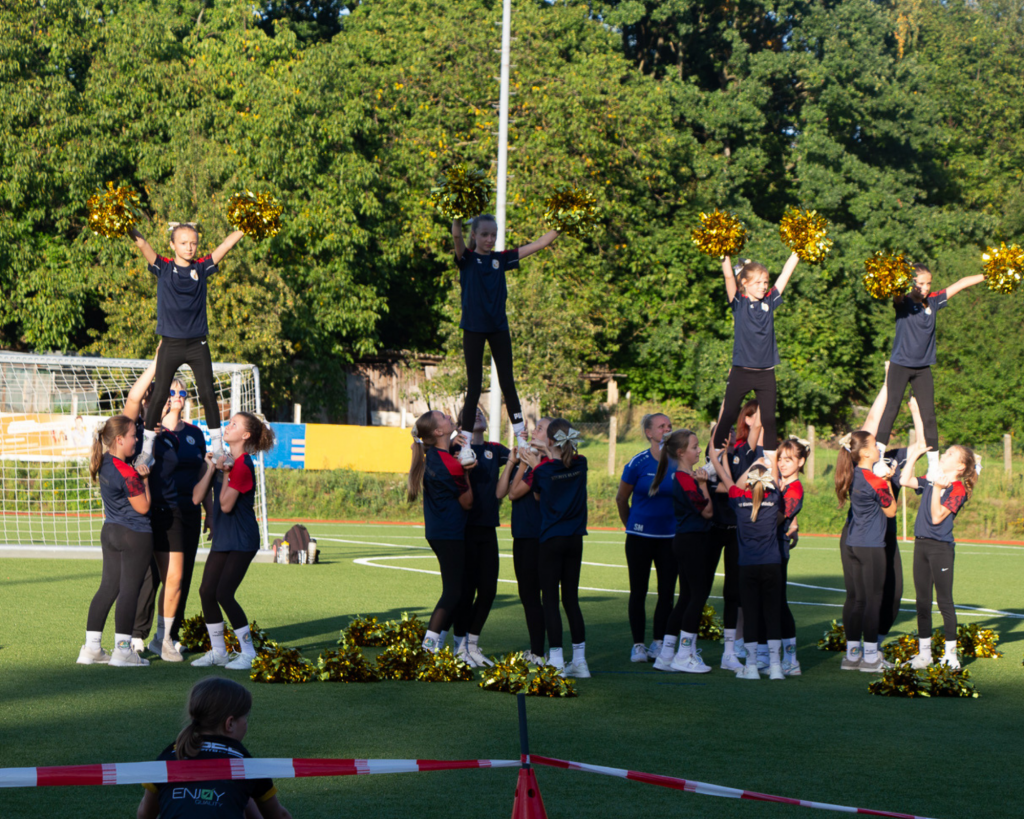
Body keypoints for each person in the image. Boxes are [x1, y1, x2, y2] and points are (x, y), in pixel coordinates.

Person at [128, 223, 245, 467]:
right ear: (172, 245)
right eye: (183, 242)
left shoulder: (201, 268)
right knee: (159, 394)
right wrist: (124, 221)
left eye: (193, 242)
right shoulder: (163, 266)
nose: (189, 247)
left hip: (197, 344)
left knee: (207, 394)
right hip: (170, 343)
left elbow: (227, 244)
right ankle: (147, 451)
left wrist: (245, 227)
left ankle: (219, 449)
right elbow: (142, 243)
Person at [451, 214, 558, 448]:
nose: (490, 239)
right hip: (473, 329)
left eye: (494, 235)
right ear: (474, 235)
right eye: (485, 235)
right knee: (475, 385)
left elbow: (540, 243)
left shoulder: (502, 259)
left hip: (498, 328)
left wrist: (564, 223)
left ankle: (521, 439)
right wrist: (458, 214)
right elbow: (456, 234)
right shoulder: (466, 259)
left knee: (507, 382)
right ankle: (466, 443)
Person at [874, 264, 985, 479]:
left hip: (922, 369)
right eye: (920, 283)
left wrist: (989, 273)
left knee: (929, 415)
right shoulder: (903, 301)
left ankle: (933, 466)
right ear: (910, 283)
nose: (925, 288)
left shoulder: (933, 301)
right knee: (892, 408)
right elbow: (896, 295)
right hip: (900, 365)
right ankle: (878, 458)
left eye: (928, 283)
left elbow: (961, 283)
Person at [190, 413, 275, 670]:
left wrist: (225, 470)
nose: (228, 427)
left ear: (246, 435)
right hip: (225, 538)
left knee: (224, 593)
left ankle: (248, 653)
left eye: (234, 424)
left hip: (242, 539)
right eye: (230, 422)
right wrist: (212, 467)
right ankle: (219, 653)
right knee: (206, 591)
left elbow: (225, 505)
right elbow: (196, 499)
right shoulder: (228, 461)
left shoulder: (243, 465)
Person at [138, 677, 292, 819]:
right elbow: (279, 816)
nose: (246, 723)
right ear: (230, 723)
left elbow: (144, 814)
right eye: (246, 717)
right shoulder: (247, 765)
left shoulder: (170, 755)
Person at [78, 416, 153, 667]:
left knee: (108, 588)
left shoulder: (105, 463)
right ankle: (123, 651)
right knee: (130, 590)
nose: (136, 440)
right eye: (133, 436)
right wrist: (145, 479)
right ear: (119, 440)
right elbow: (143, 507)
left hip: (110, 531)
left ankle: (91, 649)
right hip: (134, 535)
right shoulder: (127, 470)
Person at [711, 253, 801, 459]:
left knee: (769, 419)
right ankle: (714, 461)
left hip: (766, 373)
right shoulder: (738, 302)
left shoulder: (770, 301)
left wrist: (798, 251)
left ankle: (769, 465)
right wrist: (724, 253)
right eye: (758, 282)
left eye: (765, 282)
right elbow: (728, 277)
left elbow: (786, 274)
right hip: (741, 371)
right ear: (744, 283)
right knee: (728, 416)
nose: (763, 286)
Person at [519, 419, 589, 677]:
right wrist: (549, 449)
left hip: (551, 539)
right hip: (575, 539)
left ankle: (557, 660)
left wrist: (539, 461)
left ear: (549, 440)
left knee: (550, 600)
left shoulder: (542, 470)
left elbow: (538, 496)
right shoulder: (581, 463)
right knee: (571, 599)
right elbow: (567, 453)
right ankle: (580, 662)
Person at [900, 441, 978, 669]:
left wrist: (935, 488)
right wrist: (913, 456)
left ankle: (951, 656)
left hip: (940, 549)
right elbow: (905, 480)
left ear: (961, 466)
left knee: (944, 601)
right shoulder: (934, 480)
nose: (944, 455)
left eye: (950, 453)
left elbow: (936, 517)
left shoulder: (958, 489)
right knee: (922, 601)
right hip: (921, 546)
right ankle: (924, 655)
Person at [709, 449, 785, 681]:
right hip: (772, 565)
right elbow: (778, 482)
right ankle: (775, 668)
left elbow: (728, 479)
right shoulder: (775, 498)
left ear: (748, 482)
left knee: (751, 615)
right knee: (772, 615)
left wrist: (718, 458)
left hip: (747, 566)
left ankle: (751, 667)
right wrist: (768, 461)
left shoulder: (738, 499)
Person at [407, 411, 475, 653]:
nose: (448, 416)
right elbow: (467, 502)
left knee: (460, 589)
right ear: (438, 432)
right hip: (449, 532)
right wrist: (467, 470)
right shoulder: (448, 463)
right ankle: (428, 647)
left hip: (441, 530)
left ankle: (447, 644)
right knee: (453, 592)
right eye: (443, 417)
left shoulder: (437, 456)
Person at [614, 413, 678, 663]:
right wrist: (631, 525)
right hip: (639, 538)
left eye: (669, 426)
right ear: (649, 433)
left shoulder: (678, 461)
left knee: (666, 592)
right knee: (638, 591)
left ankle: (659, 643)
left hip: (670, 538)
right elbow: (621, 498)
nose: (667, 429)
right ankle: (638, 645)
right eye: (661, 426)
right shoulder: (637, 462)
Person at [651, 429, 715, 674]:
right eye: (695, 447)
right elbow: (707, 512)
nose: (699, 450)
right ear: (681, 453)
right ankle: (684, 654)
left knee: (686, 598)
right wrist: (703, 485)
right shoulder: (685, 479)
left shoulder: (684, 476)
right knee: (697, 597)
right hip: (693, 542)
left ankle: (666, 655)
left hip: (686, 541)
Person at [703, 401, 761, 669]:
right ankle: (684, 647)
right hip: (712, 528)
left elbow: (736, 488)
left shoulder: (745, 450)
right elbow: (716, 483)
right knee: (699, 588)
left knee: (733, 592)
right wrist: (732, 385)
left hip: (737, 528)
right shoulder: (717, 445)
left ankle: (730, 652)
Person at [834, 430, 898, 673]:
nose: (879, 448)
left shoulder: (854, 474)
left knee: (856, 599)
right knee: (873, 601)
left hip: (852, 544)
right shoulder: (875, 480)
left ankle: (852, 656)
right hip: (870, 546)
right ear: (866, 452)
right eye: (874, 444)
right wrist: (888, 480)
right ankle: (871, 658)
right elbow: (891, 511)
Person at [452, 407, 509, 667]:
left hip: (487, 529)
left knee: (488, 590)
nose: (477, 415)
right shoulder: (454, 451)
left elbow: (524, 457)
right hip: (463, 529)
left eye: (480, 412)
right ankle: (459, 645)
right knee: (465, 591)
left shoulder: (495, 448)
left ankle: (472, 645)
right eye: (469, 412)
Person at [161, 379, 209, 649]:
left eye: (182, 392)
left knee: (183, 577)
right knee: (154, 576)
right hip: (159, 511)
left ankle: (171, 634)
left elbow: (205, 476)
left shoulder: (195, 433)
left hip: (189, 511)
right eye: (172, 391)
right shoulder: (150, 432)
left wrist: (210, 514)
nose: (178, 396)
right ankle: (136, 634)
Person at [498, 418, 548, 665]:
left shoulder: (541, 464)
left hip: (533, 537)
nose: (533, 431)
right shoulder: (536, 462)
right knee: (532, 596)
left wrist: (522, 464)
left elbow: (513, 493)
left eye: (540, 428)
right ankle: (540, 651)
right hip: (526, 535)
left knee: (533, 596)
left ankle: (539, 653)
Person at [775, 438, 808, 675]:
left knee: (778, 603)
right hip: (766, 548)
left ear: (801, 461)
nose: (782, 464)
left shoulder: (794, 488)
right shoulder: (780, 484)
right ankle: (769, 653)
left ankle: (790, 658)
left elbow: (777, 518)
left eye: (788, 459)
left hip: (777, 548)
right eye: (779, 458)